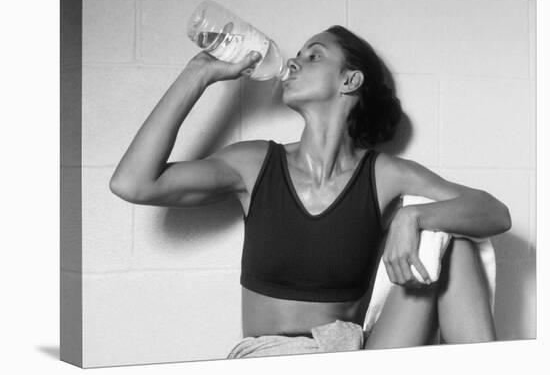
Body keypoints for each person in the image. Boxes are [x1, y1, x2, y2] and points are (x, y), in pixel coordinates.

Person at [109, 25, 512, 358]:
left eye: (314, 55)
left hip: (356, 353)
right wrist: (199, 72)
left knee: (451, 242)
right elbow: (134, 182)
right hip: (271, 356)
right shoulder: (254, 163)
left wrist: (414, 217)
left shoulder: (383, 174)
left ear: (350, 80)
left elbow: (494, 213)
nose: (294, 62)